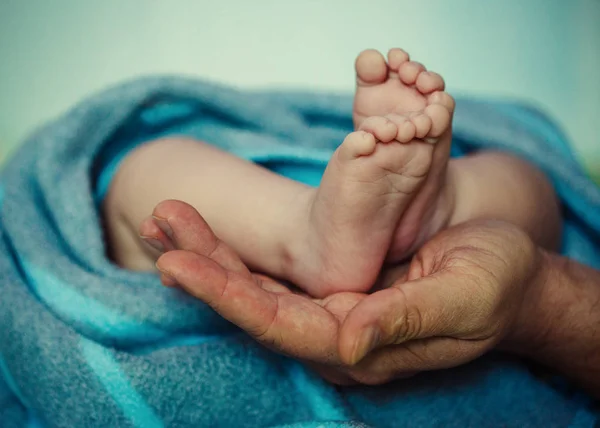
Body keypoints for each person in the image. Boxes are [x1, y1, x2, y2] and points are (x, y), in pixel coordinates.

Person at [102, 48, 561, 298]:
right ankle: (303, 230)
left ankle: (440, 207)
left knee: (533, 178)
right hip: (258, 188)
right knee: (139, 167)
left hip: (389, 195)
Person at [143, 201, 600, 399]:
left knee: (148, 158)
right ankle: (302, 225)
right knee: (517, 171)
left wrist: (539, 298)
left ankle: (304, 231)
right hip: (312, 182)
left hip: (446, 220)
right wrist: (538, 297)